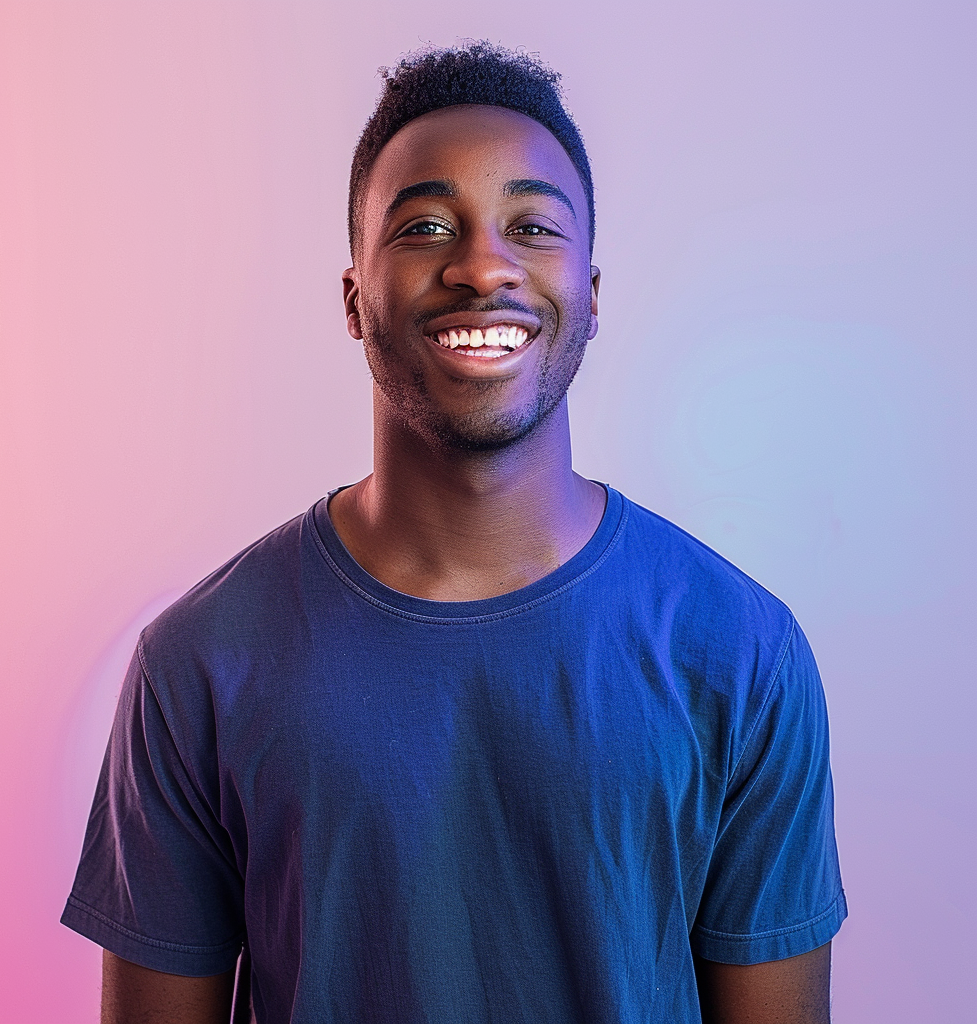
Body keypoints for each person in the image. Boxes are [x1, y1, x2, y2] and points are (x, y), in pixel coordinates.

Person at [62, 41, 846, 1024]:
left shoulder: (737, 651)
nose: (481, 265)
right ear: (355, 299)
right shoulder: (199, 662)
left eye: (532, 226)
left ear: (592, 297)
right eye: (426, 225)